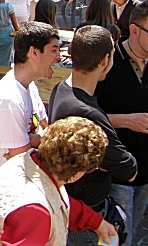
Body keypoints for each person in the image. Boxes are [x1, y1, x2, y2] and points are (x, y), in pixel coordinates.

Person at [48, 25, 137, 244]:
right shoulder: (87, 113)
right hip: (87, 218)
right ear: (105, 60)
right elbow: (129, 169)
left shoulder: (61, 89)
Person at [0, 117, 118, 245]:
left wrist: (97, 223)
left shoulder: (23, 164)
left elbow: (58, 201)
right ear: (76, 173)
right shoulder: (35, 210)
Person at [0, 22, 60, 181]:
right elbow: (21, 158)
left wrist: (34, 139)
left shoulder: (30, 86)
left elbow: (44, 125)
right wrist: (36, 140)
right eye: (54, 50)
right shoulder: (9, 101)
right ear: (34, 52)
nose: (59, 57)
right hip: (8, 188)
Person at [96, 1, 148, 245]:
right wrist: (127, 121)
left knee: (133, 232)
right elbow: (85, 116)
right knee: (119, 239)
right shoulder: (108, 63)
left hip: (145, 173)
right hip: (118, 173)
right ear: (135, 31)